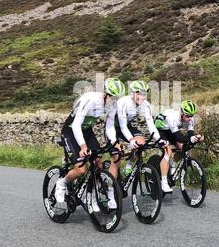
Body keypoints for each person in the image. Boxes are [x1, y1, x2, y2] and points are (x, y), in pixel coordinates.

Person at [55, 77, 125, 211]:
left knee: (98, 162)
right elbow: (76, 125)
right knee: (81, 169)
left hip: (86, 131)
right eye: (113, 97)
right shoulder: (91, 100)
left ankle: (92, 195)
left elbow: (110, 126)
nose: (115, 101)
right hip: (71, 131)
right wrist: (82, 146)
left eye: (118, 98)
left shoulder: (113, 105)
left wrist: (115, 142)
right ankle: (62, 183)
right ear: (105, 94)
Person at [106, 80, 168, 191]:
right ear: (132, 93)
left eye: (144, 94)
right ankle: (109, 188)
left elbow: (151, 125)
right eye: (140, 94)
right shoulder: (122, 103)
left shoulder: (145, 105)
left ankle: (129, 165)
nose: (142, 97)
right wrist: (131, 140)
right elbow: (123, 126)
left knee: (141, 143)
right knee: (116, 160)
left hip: (126, 126)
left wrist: (159, 140)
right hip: (114, 128)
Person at [154, 100, 204, 193]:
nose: (190, 118)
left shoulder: (190, 119)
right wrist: (192, 139)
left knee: (183, 147)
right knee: (167, 151)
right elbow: (179, 137)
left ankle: (172, 163)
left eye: (191, 115)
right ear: (182, 113)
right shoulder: (173, 118)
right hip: (160, 129)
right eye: (188, 115)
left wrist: (196, 138)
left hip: (170, 130)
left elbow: (190, 135)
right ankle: (164, 183)